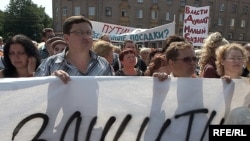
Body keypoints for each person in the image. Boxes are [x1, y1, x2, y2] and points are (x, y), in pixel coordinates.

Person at [35, 16, 113, 83]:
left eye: (89, 32)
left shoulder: (104, 64)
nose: (86, 37)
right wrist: (49, 80)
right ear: (66, 38)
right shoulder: (50, 64)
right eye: (79, 33)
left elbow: (113, 92)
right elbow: (35, 92)